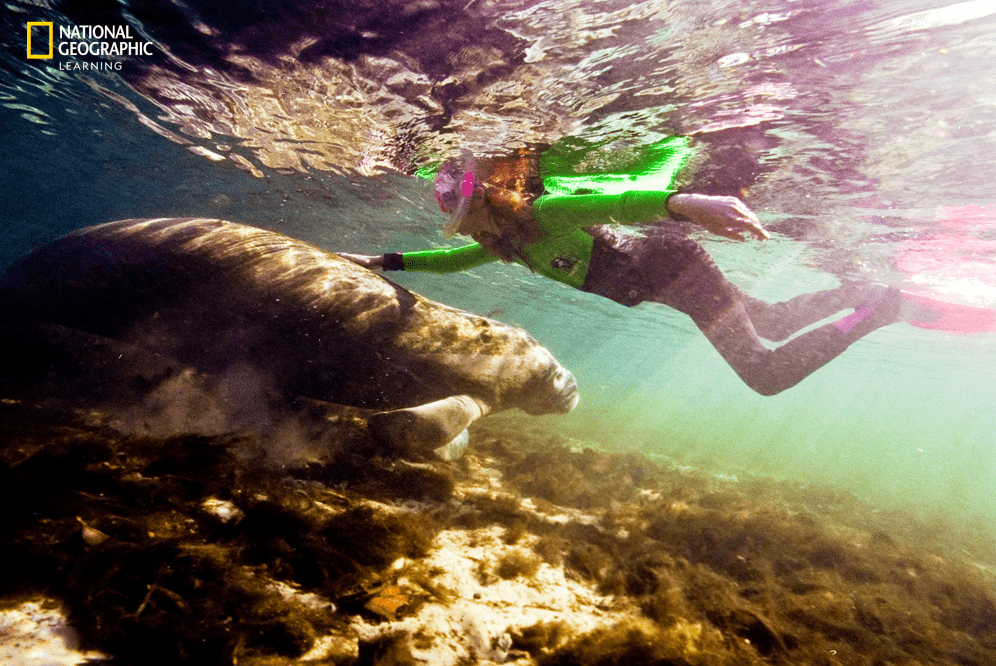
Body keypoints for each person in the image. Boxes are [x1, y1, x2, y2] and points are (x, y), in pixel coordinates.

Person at [341, 138, 908, 395]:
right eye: (458, 219)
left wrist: (686, 204)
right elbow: (446, 266)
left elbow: (616, 202)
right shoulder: (507, 243)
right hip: (668, 283)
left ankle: (877, 311)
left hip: (675, 268)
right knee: (776, 321)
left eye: (467, 214)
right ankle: (860, 289)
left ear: (491, 200)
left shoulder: (544, 213)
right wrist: (376, 261)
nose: (466, 229)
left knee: (765, 375)